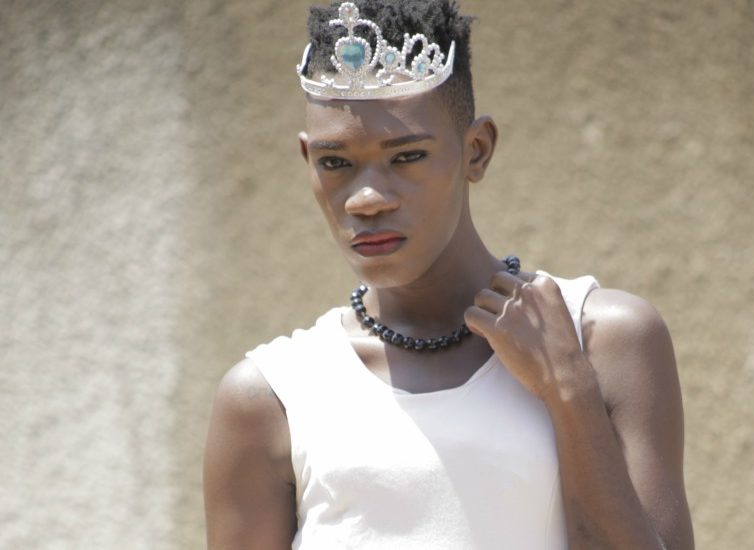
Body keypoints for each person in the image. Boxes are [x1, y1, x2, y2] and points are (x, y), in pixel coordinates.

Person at [203, 1, 695, 548]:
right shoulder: (272, 395)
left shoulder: (604, 339)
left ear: (476, 151)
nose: (365, 199)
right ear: (307, 160)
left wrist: (568, 388)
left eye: (407, 155)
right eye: (335, 162)